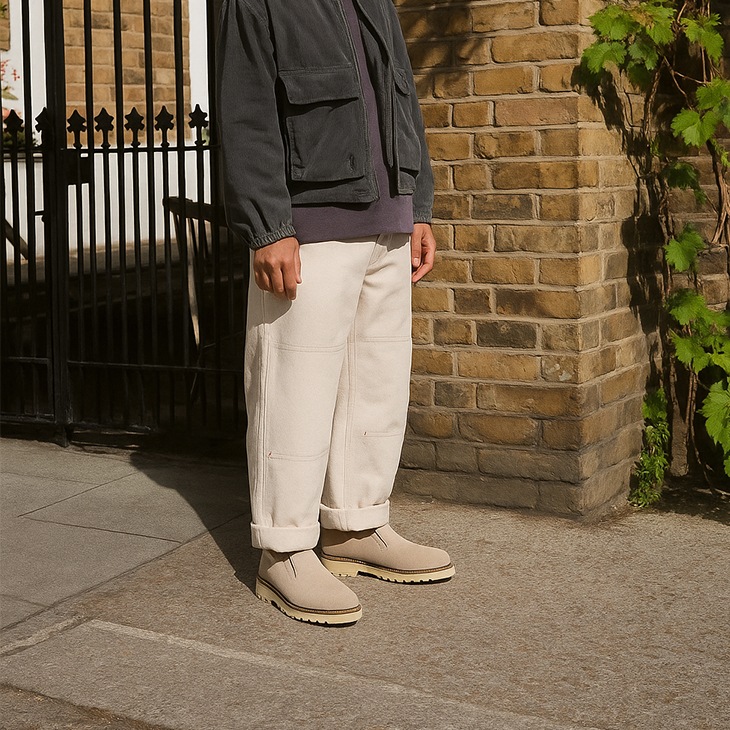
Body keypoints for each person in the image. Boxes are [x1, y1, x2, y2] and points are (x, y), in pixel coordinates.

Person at [217, 0, 455, 625]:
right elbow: (244, 109)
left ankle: (356, 525)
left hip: (388, 219)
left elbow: (402, 95)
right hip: (307, 225)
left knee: (375, 382)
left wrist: (417, 205)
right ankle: (284, 547)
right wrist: (268, 226)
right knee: (293, 386)